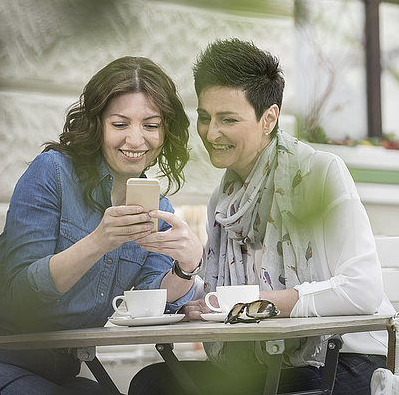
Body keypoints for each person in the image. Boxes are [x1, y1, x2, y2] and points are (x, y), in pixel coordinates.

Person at [129, 39, 395, 395]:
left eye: (228, 120)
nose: (211, 133)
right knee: (153, 383)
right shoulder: (222, 202)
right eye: (205, 118)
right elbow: (216, 299)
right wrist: (187, 263)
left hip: (343, 362)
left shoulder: (318, 173)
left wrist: (254, 303)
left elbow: (362, 291)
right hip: (266, 363)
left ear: (268, 118)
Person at [0, 56, 203, 395]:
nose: (136, 140)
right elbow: (18, 293)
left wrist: (186, 266)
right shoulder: (52, 174)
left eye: (151, 126)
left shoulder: (158, 208)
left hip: (64, 368)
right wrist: (99, 241)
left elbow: (155, 301)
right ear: (97, 125)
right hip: (8, 359)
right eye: (120, 124)